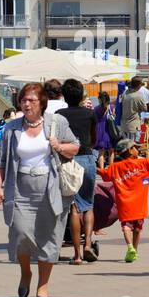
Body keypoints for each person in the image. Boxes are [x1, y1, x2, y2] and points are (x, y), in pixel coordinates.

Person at [0, 82, 80, 297]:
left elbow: (75, 147)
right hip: (20, 188)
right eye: (23, 100)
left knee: (48, 237)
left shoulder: (56, 122)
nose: (26, 104)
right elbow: (1, 161)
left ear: (41, 103)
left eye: (31, 100)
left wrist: (58, 146)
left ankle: (43, 284)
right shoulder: (12, 128)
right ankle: (25, 272)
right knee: (20, 234)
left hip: (49, 187)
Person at [57, 78, 98, 265]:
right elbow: (94, 138)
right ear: (82, 94)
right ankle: (88, 244)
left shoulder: (59, 115)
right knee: (88, 205)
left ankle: (77, 254)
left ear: (64, 96)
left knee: (74, 207)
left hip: (69, 161)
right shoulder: (89, 114)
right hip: (88, 158)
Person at [99, 138, 149, 263]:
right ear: (129, 151)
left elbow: (104, 175)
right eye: (135, 147)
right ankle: (135, 250)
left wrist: (92, 168)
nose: (137, 149)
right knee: (138, 228)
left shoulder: (115, 167)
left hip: (124, 203)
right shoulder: (143, 164)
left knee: (126, 226)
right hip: (140, 203)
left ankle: (130, 247)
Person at [121, 78, 149, 148]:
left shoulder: (125, 92)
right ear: (138, 85)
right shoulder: (138, 95)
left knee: (126, 149)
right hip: (133, 126)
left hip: (124, 125)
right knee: (134, 148)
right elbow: (145, 108)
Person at [93, 91, 117, 168]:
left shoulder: (96, 109)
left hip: (100, 131)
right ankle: (111, 168)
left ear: (99, 99)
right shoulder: (112, 107)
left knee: (101, 152)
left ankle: (102, 170)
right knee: (111, 150)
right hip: (109, 130)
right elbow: (114, 117)